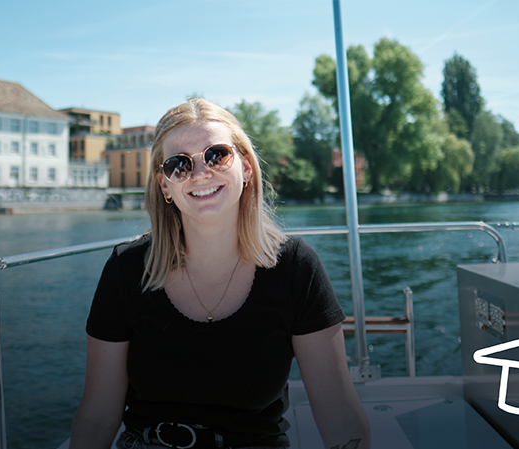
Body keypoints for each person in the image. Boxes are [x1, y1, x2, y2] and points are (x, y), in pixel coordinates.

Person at [69, 99, 370, 449]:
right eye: (179, 164)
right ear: (165, 185)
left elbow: (339, 415)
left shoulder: (296, 268)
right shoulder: (127, 270)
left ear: (245, 167)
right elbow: (98, 415)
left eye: (217, 155)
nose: (200, 173)